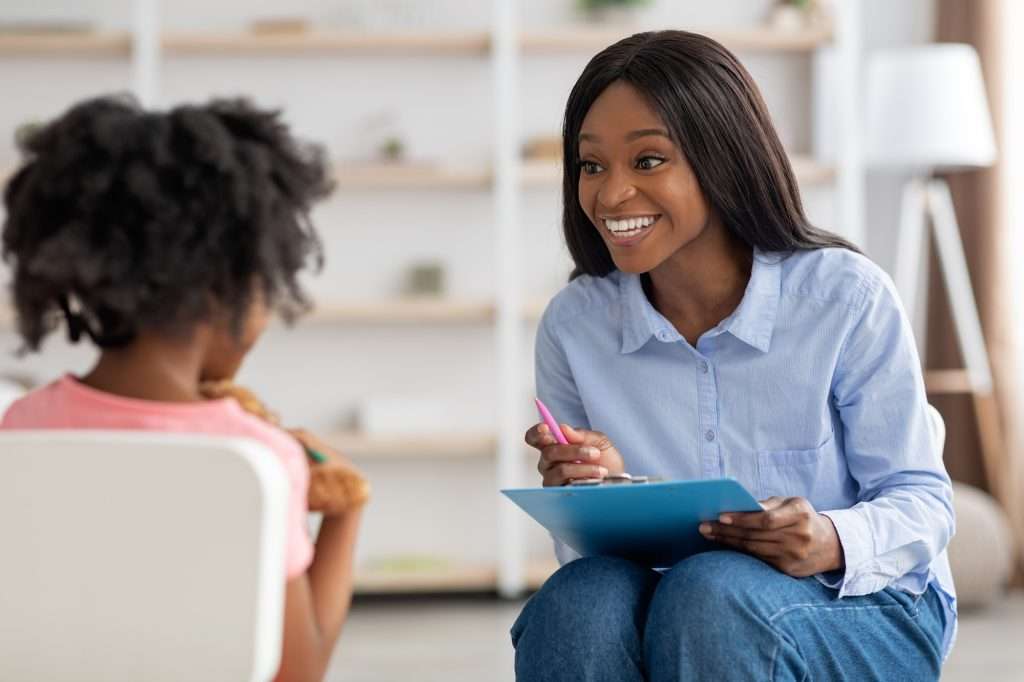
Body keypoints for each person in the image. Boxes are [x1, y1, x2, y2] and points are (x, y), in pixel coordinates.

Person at [515, 30, 954, 681]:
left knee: (710, 590)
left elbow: (923, 501)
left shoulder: (845, 297)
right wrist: (600, 489)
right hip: (682, 602)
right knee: (579, 600)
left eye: (648, 161)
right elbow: (590, 560)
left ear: (722, 157)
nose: (609, 197)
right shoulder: (575, 324)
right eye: (591, 166)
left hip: (865, 603)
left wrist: (829, 538)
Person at [0, 95, 361, 682]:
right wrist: (346, 514)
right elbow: (299, 672)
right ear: (235, 285)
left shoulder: (19, 427)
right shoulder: (258, 457)